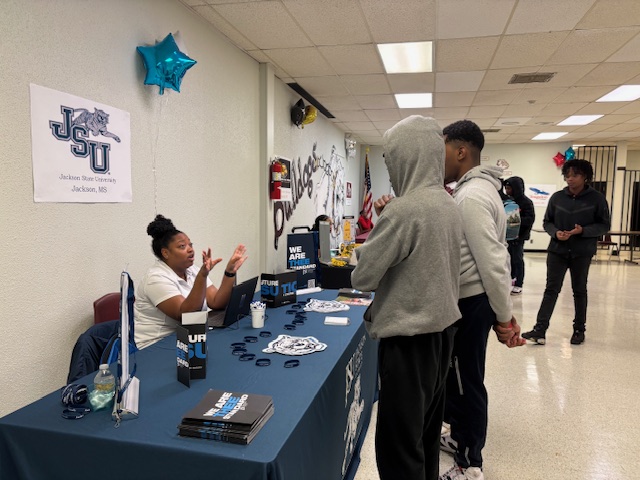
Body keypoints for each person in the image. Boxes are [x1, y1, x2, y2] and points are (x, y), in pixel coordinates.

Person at [351, 115, 463, 480]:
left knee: (398, 448)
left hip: (409, 343)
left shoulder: (404, 209)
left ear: (407, 156)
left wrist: (381, 225)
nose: (390, 166)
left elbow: (363, 276)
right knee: (425, 436)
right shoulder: (447, 203)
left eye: (390, 158)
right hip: (442, 336)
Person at [439, 120, 525, 480]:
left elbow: (493, 260)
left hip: (472, 303)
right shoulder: (474, 191)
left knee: (465, 381)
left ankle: (470, 464)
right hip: (471, 301)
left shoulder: (472, 196)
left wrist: (504, 318)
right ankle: (460, 437)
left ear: (461, 151)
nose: (436, 157)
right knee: (458, 377)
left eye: (442, 149)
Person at [522, 159, 610, 346]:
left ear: (585, 177)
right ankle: (540, 330)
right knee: (551, 289)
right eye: (567, 175)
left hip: (582, 252)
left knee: (579, 291)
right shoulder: (557, 197)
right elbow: (547, 221)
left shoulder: (597, 199)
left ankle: (579, 330)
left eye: (575, 175)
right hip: (557, 250)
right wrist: (556, 233)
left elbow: (604, 225)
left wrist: (583, 231)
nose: (570, 179)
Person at [134, 214, 247, 349]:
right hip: (155, 345)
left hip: (187, 337)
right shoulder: (155, 278)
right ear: (165, 253)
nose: (190, 249)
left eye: (190, 245)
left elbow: (217, 302)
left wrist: (230, 272)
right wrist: (202, 276)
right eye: (182, 246)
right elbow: (186, 315)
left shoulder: (192, 270)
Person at [504, 176, 535, 295]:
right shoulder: (507, 201)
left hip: (519, 237)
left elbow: (530, 219)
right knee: (507, 260)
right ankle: (509, 280)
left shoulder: (526, 202)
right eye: (506, 188)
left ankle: (518, 283)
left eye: (509, 188)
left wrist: (515, 218)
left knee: (517, 259)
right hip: (507, 237)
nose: (507, 191)